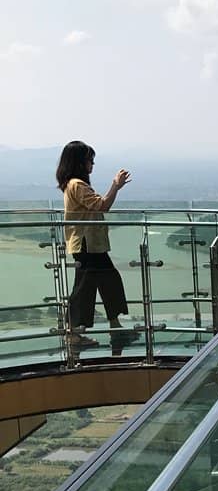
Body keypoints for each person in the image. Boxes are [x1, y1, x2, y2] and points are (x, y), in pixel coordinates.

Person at [56, 141, 133, 348]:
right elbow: (102, 205)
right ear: (80, 163)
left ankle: (113, 326)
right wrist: (115, 186)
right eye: (90, 160)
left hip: (89, 245)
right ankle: (74, 334)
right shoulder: (77, 185)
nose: (92, 164)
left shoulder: (73, 184)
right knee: (86, 288)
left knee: (105, 282)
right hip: (86, 244)